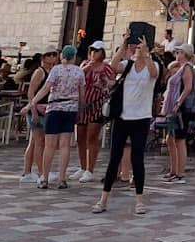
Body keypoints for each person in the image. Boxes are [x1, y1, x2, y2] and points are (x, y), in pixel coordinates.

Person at [93, 35, 159, 217]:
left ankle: (139, 200)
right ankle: (103, 199)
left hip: (141, 117)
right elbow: (112, 67)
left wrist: (146, 54)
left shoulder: (152, 66)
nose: (136, 50)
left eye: (139, 48)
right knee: (114, 157)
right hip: (122, 117)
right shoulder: (127, 66)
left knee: (138, 158)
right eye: (134, 48)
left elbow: (154, 74)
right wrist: (122, 47)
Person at [23, 44, 84, 189]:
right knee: (64, 146)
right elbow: (82, 94)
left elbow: (45, 89)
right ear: (74, 57)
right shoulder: (79, 72)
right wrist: (80, 109)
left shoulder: (56, 70)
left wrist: (31, 103)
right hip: (70, 109)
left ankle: (44, 177)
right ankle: (62, 178)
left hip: (54, 108)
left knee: (49, 145)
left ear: (62, 56)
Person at [73, 41, 114, 183]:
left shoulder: (106, 67)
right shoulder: (84, 64)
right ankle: (83, 167)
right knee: (80, 137)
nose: (93, 53)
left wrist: (102, 83)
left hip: (96, 104)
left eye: (96, 50)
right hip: (83, 104)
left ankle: (90, 169)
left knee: (92, 136)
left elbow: (111, 83)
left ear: (102, 52)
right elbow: (76, 79)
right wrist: (85, 69)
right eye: (92, 50)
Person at [19, 50, 58, 184]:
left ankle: (28, 171)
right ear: (43, 57)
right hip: (37, 110)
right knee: (39, 142)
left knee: (34, 142)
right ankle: (42, 171)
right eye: (49, 55)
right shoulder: (40, 72)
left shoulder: (50, 71)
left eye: (54, 55)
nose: (52, 57)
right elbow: (31, 92)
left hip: (44, 109)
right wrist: (34, 111)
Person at [160, 43, 195, 184]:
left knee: (180, 140)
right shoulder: (180, 68)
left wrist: (178, 103)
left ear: (185, 54)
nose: (177, 55)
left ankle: (180, 172)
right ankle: (173, 169)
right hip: (172, 108)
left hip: (180, 109)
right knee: (171, 139)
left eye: (179, 52)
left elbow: (187, 88)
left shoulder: (187, 68)